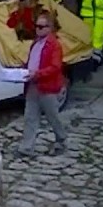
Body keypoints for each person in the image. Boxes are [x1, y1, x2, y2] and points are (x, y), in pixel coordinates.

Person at [16, 11, 69, 157]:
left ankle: (61, 140)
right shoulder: (36, 43)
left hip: (48, 87)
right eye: (36, 26)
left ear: (49, 28)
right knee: (30, 117)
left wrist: (37, 73)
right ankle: (26, 148)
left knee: (53, 116)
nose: (37, 29)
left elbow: (55, 67)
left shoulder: (54, 45)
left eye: (41, 27)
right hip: (33, 85)